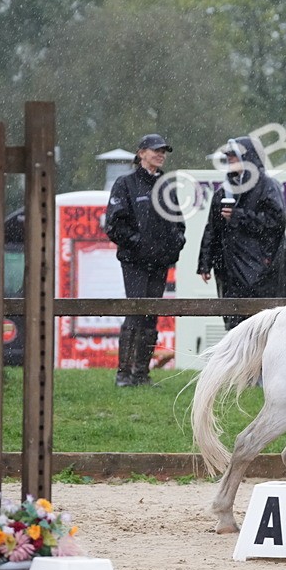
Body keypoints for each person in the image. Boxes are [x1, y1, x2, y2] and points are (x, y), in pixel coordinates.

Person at [104, 133, 186, 387]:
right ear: (141, 153)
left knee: (151, 315)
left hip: (159, 263)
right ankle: (124, 374)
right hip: (135, 262)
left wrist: (173, 247)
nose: (161, 155)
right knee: (135, 312)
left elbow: (178, 224)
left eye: (163, 151)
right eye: (156, 150)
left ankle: (141, 374)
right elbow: (114, 225)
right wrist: (140, 244)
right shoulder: (125, 184)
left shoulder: (166, 186)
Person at [197, 136, 286, 331]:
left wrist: (239, 216)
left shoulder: (267, 185)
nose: (230, 159)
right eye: (228, 156)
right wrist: (205, 262)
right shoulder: (224, 191)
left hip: (261, 269)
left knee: (262, 322)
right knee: (235, 324)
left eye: (234, 155)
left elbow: (277, 222)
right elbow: (212, 228)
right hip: (230, 269)